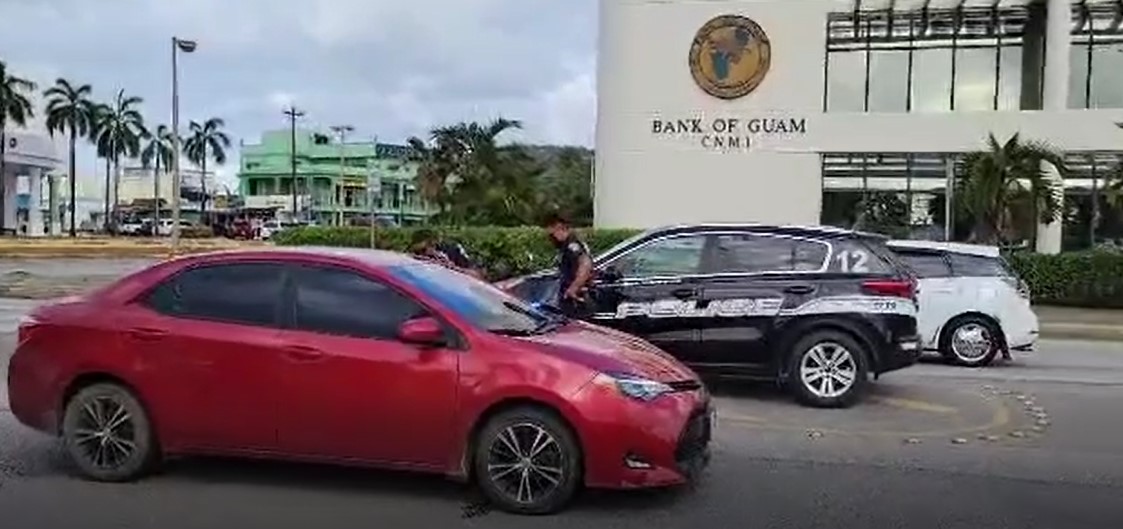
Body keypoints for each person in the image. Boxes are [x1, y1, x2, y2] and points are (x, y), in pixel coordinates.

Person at [543, 213, 594, 318]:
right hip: (572, 296)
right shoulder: (568, 244)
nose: (551, 238)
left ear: (558, 228)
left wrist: (573, 288)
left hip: (576, 298)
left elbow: (585, 264)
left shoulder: (572, 244)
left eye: (552, 234)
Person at [409, 229, 484, 278]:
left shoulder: (451, 250)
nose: (422, 254)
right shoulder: (414, 259)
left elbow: (474, 274)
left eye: (424, 250)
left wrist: (452, 268)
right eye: (419, 252)